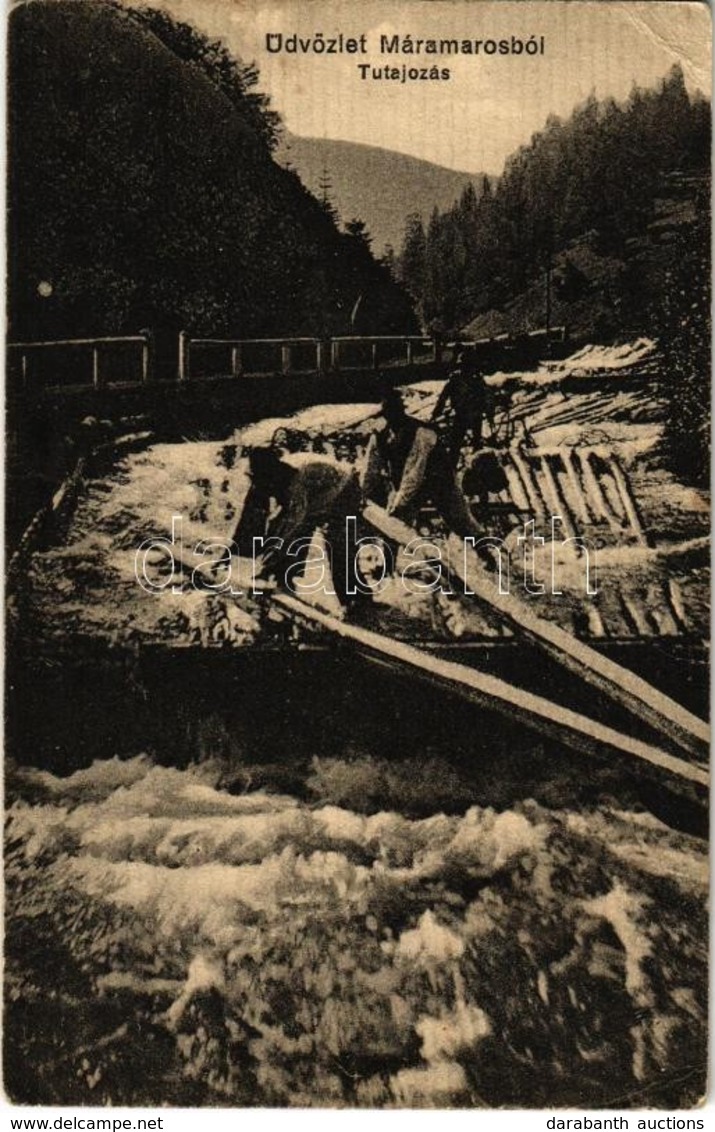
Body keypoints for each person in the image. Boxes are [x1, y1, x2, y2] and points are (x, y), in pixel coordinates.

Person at [232, 443, 366, 612]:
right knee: (287, 530)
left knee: (339, 548)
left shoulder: (297, 483)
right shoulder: (276, 472)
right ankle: (281, 578)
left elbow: (293, 523)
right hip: (319, 492)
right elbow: (258, 515)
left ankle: (356, 601)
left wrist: (269, 558)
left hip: (345, 492)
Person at [362, 389, 483, 540]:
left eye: (395, 411)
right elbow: (370, 469)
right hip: (406, 485)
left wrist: (399, 502)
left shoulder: (421, 432)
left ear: (402, 410)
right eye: (387, 412)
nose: (391, 416)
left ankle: (491, 557)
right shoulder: (380, 436)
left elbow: (415, 471)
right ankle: (388, 563)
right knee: (392, 527)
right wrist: (361, 495)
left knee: (462, 523)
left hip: (440, 482)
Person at [431, 344, 491, 466]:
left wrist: (436, 413)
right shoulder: (468, 380)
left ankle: (464, 467)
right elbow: (443, 398)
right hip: (468, 415)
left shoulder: (469, 380)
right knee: (466, 444)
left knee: (459, 445)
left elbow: (443, 398)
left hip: (467, 415)